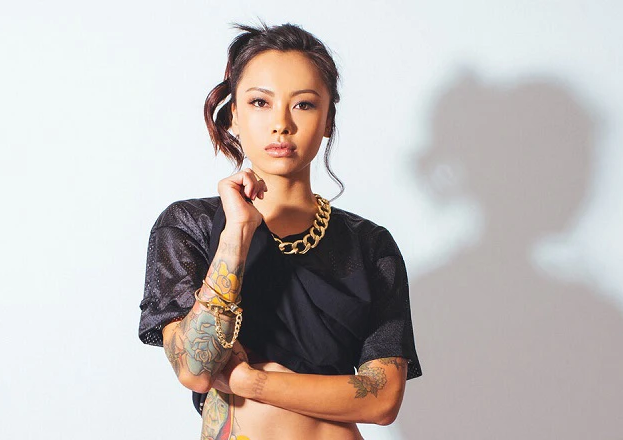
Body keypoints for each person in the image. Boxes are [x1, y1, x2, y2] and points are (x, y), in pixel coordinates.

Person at [137, 21, 422, 440]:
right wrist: (236, 234)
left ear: (328, 120)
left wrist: (253, 382)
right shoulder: (189, 226)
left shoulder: (369, 244)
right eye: (260, 102)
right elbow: (195, 369)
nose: (281, 124)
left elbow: (383, 400)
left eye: (303, 104)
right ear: (234, 115)